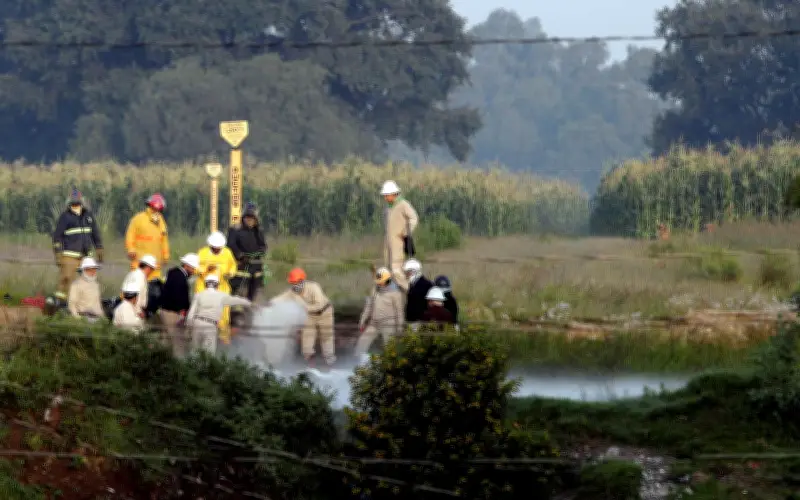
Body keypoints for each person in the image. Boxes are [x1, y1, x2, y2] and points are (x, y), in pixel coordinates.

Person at [271, 268, 336, 368]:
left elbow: (319, 304)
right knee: (307, 339)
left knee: (326, 337)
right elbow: (280, 298)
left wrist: (304, 308)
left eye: (297, 282)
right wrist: (269, 303)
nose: (295, 285)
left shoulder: (314, 287)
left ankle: (330, 362)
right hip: (309, 316)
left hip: (324, 313)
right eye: (293, 283)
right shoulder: (292, 292)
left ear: (302, 281)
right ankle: (310, 363)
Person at [52, 188, 103, 304]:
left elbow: (95, 233)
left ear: (81, 201)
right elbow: (57, 237)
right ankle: (61, 305)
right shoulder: (65, 217)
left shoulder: (88, 216)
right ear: (69, 202)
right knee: (67, 280)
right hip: (69, 256)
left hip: (86, 257)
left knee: (87, 281)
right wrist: (58, 254)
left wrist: (99, 248)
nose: (76, 202)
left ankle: (83, 305)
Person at [186, 274, 253, 355]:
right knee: (208, 353)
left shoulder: (199, 295)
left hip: (197, 323)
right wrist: (250, 303)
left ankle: (191, 366)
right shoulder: (222, 296)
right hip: (210, 325)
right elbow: (237, 300)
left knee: (194, 351)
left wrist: (189, 327)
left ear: (205, 284)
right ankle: (205, 367)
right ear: (217, 285)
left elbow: (191, 313)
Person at [354, 267, 405, 363]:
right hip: (374, 322)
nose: (378, 283)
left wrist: (399, 329)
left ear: (387, 280)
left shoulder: (396, 293)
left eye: (381, 281)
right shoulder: (375, 290)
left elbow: (399, 313)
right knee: (362, 341)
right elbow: (369, 305)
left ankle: (392, 367)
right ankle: (357, 363)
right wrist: (363, 320)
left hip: (389, 323)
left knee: (390, 347)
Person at [196, 231, 238, 344]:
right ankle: (203, 340)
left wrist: (230, 273)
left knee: (224, 317)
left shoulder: (227, 253)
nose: (217, 250)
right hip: (204, 290)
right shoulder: (202, 253)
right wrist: (206, 269)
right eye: (215, 248)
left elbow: (233, 266)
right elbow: (195, 269)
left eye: (219, 248)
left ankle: (224, 340)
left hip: (222, 289)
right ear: (210, 245)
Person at [159, 253, 199, 357]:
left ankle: (160, 361)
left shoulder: (174, 273)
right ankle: (178, 363)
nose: (194, 271)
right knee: (177, 341)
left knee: (166, 339)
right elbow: (178, 295)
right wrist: (182, 309)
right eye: (193, 268)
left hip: (166, 311)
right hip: (173, 313)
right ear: (187, 266)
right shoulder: (180, 277)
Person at [381, 180, 418, 291]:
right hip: (388, 244)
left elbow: (414, 218)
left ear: (394, 194)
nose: (385, 198)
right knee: (390, 271)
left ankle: (410, 292)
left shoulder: (403, 204)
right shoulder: (388, 208)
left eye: (387, 195)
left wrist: (406, 232)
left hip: (398, 243)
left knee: (396, 270)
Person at [227, 202, 268, 301]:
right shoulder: (235, 230)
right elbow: (230, 245)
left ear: (256, 219)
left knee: (255, 296)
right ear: (243, 217)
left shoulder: (258, 231)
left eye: (252, 217)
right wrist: (240, 255)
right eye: (247, 217)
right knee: (237, 296)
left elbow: (263, 246)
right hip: (241, 268)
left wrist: (260, 252)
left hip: (256, 268)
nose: (249, 220)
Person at [125, 193, 169, 281]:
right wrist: (131, 249)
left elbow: (164, 240)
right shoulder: (138, 218)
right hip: (140, 263)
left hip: (156, 265)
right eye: (155, 209)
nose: (157, 211)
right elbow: (130, 235)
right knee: (135, 286)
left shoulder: (161, 221)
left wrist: (166, 256)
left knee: (154, 289)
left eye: (159, 210)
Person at [67, 257, 104, 321]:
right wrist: (78, 319)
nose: (92, 272)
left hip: (97, 318)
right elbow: (72, 304)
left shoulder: (96, 285)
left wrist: (103, 317)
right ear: (83, 271)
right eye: (89, 270)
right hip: (84, 317)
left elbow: (98, 303)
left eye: (94, 269)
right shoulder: (76, 285)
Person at [403, 259, 432, 328]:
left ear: (413, 272)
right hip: (413, 321)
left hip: (419, 322)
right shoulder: (413, 284)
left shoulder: (426, 285)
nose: (406, 275)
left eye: (407, 272)